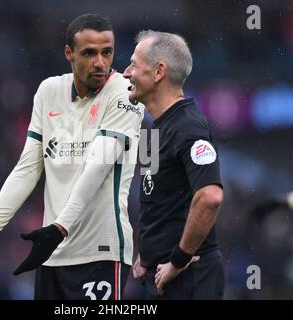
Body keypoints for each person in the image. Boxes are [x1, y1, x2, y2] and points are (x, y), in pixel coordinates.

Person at [0, 14, 144, 300]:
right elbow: (27, 169)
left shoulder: (124, 92)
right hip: (50, 253)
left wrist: (59, 228)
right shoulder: (49, 91)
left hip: (99, 252)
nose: (100, 62)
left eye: (106, 52)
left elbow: (98, 168)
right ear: (69, 54)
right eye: (89, 53)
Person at [123, 30, 224, 299]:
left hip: (189, 275)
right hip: (159, 276)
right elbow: (154, 197)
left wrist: (178, 259)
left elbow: (210, 196)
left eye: (134, 64)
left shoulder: (189, 127)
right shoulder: (151, 131)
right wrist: (148, 251)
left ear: (158, 72)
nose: (125, 73)